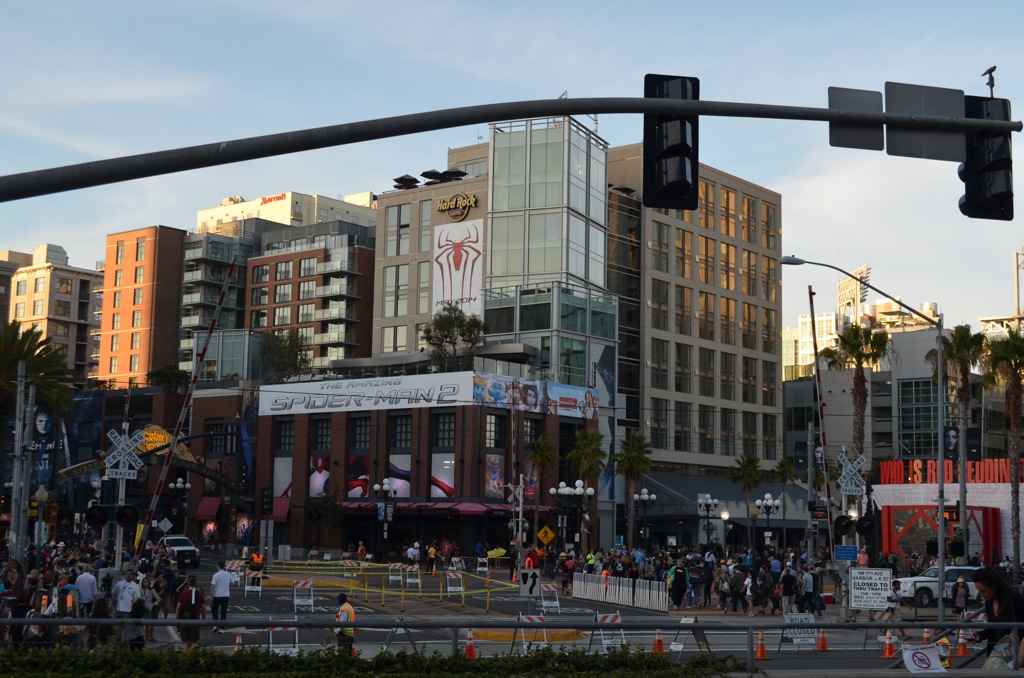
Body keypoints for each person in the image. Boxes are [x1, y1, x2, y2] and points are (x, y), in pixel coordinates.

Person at [971, 566, 1024, 664]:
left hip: (1013, 658)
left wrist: (1018, 632)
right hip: (995, 657)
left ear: (993, 586)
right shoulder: (989, 603)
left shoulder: (1015, 599)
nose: (982, 595)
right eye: (979, 591)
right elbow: (994, 628)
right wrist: (980, 635)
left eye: (983, 591)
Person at [175, 575, 206, 650]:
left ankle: (186, 655)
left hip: (184, 619)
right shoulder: (199, 594)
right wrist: (203, 618)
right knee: (194, 641)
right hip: (195, 619)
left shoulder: (183, 593)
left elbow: (178, 607)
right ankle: (193, 656)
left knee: (185, 641)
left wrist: (177, 617)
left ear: (188, 583)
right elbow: (203, 608)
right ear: (196, 583)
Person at [210, 560, 231, 633]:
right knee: (223, 611)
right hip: (226, 595)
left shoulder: (215, 575)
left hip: (217, 595)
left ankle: (215, 625)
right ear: (224, 566)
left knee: (214, 610)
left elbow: (213, 586)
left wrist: (211, 596)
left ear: (218, 566)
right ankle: (222, 628)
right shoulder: (228, 574)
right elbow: (233, 583)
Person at [139, 576, 162, 641]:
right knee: (142, 624)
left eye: (147, 581)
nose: (145, 583)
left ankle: (146, 638)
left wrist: (154, 604)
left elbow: (158, 599)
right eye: (144, 582)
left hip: (149, 608)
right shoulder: (140, 590)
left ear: (149, 583)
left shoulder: (152, 590)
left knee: (148, 624)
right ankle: (142, 637)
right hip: (142, 609)